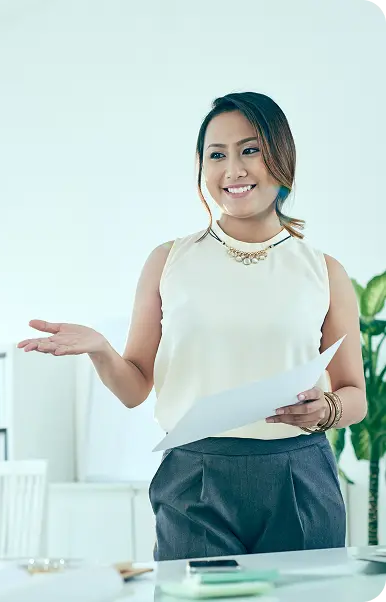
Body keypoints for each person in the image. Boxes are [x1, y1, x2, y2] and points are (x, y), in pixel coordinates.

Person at [19, 91, 367, 561]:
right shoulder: (168, 261)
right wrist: (101, 349)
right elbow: (134, 389)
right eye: (216, 155)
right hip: (194, 476)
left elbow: (355, 396)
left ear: (281, 156)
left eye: (250, 150)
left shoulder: (325, 271)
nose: (233, 170)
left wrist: (325, 409)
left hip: (298, 474)